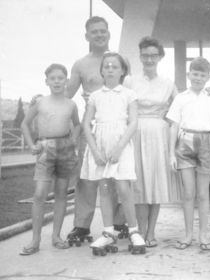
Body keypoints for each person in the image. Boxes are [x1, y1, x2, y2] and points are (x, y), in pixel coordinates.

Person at [65, 16, 127, 243]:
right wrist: (41, 103)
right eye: (95, 32)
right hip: (90, 129)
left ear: (109, 33)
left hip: (117, 128)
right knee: (87, 178)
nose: (100, 35)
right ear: (87, 36)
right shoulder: (80, 64)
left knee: (118, 175)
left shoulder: (120, 60)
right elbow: (66, 96)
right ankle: (82, 226)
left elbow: (130, 91)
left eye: (103, 31)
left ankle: (120, 223)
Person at [80, 52, 146, 255]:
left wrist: (119, 148)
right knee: (105, 189)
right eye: (106, 66)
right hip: (100, 146)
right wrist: (94, 150)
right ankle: (108, 232)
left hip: (121, 146)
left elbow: (133, 122)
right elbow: (86, 124)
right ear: (101, 70)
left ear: (122, 71)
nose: (109, 69)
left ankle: (134, 230)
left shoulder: (128, 94)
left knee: (124, 188)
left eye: (114, 66)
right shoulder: (95, 96)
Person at [124, 36, 182, 248]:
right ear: (140, 57)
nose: (149, 59)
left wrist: (207, 92)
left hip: (159, 135)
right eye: (145, 55)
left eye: (153, 55)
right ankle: (139, 231)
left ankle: (151, 231)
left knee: (155, 183)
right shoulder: (130, 81)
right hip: (135, 132)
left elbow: (181, 105)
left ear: (160, 57)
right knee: (139, 183)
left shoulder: (168, 83)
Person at [167, 57, 210, 251]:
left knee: (202, 194)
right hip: (185, 143)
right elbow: (174, 126)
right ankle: (187, 235)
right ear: (189, 74)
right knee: (188, 193)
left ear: (208, 77)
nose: (198, 78)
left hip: (207, 143)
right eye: (195, 74)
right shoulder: (181, 97)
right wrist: (171, 154)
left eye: (202, 75)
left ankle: (204, 235)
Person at [20, 64, 80, 255]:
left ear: (66, 81)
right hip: (45, 149)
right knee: (39, 194)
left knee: (61, 193)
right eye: (53, 78)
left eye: (60, 78)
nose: (56, 81)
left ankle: (56, 237)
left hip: (65, 149)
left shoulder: (71, 104)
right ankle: (35, 241)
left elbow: (77, 125)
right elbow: (25, 124)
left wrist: (73, 140)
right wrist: (31, 145)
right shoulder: (41, 103)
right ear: (46, 81)